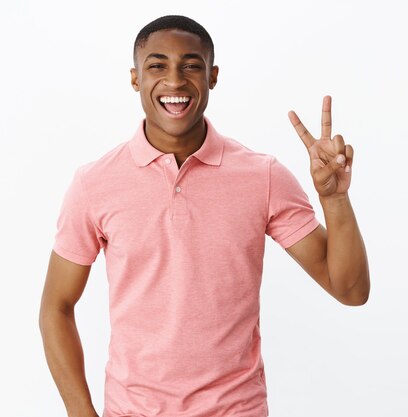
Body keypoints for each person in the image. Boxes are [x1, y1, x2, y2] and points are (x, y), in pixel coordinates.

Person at [38, 15, 369, 417]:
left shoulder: (261, 176)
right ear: (135, 78)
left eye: (191, 65)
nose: (175, 81)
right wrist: (81, 413)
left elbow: (350, 290)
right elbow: (56, 306)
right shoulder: (94, 183)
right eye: (157, 65)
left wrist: (333, 199)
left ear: (212, 76)